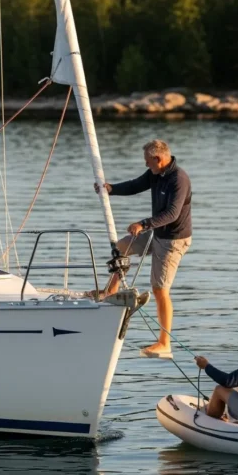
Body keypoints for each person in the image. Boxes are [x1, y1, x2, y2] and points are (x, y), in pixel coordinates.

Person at [95, 139, 191, 358]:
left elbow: (172, 215)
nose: (146, 166)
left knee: (159, 289)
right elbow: (135, 185)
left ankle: (164, 343)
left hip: (173, 240)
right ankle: (110, 290)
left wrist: (143, 224)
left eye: (148, 162)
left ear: (158, 159)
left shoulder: (179, 180)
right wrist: (110, 189)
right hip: (158, 233)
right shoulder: (156, 174)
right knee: (122, 246)